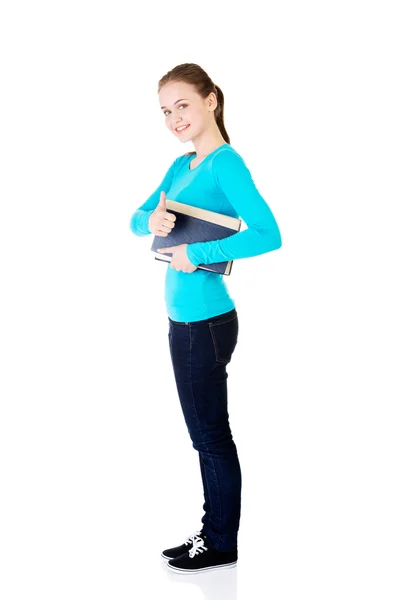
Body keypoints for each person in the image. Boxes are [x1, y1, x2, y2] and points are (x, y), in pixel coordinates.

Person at [130, 63, 282, 573]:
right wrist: (151, 219)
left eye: (183, 105)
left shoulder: (225, 164)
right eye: (166, 110)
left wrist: (199, 254)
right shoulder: (180, 168)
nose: (174, 117)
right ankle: (213, 534)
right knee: (205, 434)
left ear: (211, 100)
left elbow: (267, 233)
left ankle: (219, 542)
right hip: (184, 323)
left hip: (207, 325)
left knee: (210, 437)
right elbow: (137, 218)